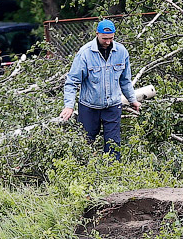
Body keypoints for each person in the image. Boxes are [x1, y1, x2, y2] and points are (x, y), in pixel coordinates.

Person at [59, 19, 140, 160]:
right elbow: (72, 82)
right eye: (105, 38)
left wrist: (133, 100)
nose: (108, 42)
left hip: (113, 106)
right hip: (89, 107)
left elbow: (125, 80)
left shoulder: (121, 52)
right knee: (85, 143)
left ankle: (113, 174)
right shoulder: (85, 54)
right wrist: (69, 106)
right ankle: (83, 173)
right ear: (97, 34)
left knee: (113, 144)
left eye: (111, 38)